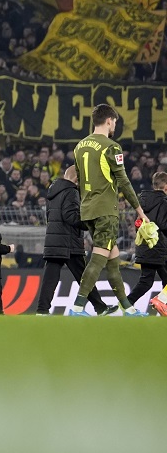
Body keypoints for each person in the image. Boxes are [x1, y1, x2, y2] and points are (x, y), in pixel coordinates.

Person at [67, 104, 149, 317]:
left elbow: (79, 178)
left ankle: (128, 308)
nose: (115, 126)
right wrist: (140, 211)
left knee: (112, 260)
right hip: (105, 210)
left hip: (88, 210)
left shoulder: (79, 146)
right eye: (115, 122)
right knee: (99, 257)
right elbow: (123, 180)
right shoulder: (111, 147)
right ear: (110, 120)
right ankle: (77, 307)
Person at [36, 165, 111, 316]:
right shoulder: (71, 191)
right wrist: (90, 223)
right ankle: (100, 308)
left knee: (51, 278)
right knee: (84, 277)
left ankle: (42, 310)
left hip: (55, 239)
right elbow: (71, 216)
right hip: (68, 242)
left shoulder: (52, 191)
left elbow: (50, 217)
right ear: (77, 178)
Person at [128, 171, 167, 308]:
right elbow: (163, 224)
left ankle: (126, 304)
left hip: (145, 248)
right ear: (166, 187)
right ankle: (161, 301)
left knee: (146, 282)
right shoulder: (163, 202)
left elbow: (138, 223)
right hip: (160, 249)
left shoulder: (142, 201)